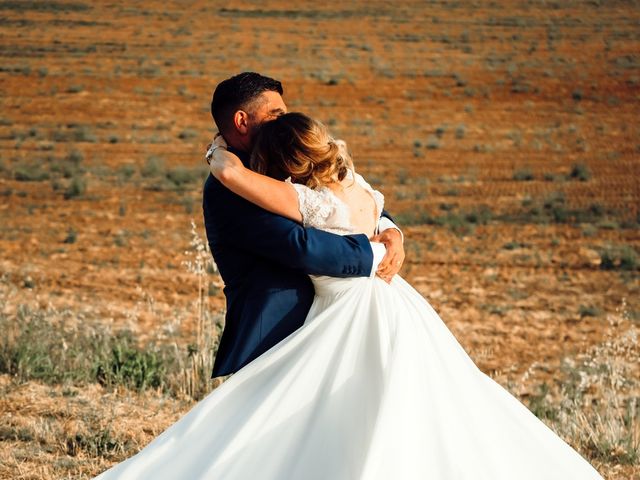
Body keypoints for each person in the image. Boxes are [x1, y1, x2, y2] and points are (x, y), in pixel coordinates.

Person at [95, 112, 604, 479]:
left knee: (310, 409)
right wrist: (388, 243)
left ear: (288, 166)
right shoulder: (358, 186)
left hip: (345, 313)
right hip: (395, 303)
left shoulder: (305, 200)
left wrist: (217, 153)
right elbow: (377, 219)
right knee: (417, 399)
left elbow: (232, 176)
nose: (278, 116)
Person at [202, 72, 404, 378]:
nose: (284, 120)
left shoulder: (282, 159)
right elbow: (300, 247)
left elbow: (341, 198)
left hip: (328, 320)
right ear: (242, 121)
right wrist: (375, 254)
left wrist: (391, 231)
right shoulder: (229, 188)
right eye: (275, 114)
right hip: (275, 331)